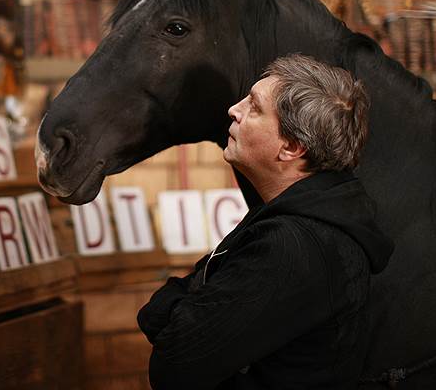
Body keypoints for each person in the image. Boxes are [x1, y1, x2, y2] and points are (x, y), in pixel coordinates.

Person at [137, 54, 394, 389]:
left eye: (254, 107)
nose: (234, 109)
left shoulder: (293, 246)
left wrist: (177, 305)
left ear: (291, 146)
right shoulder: (290, 217)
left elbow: (172, 366)